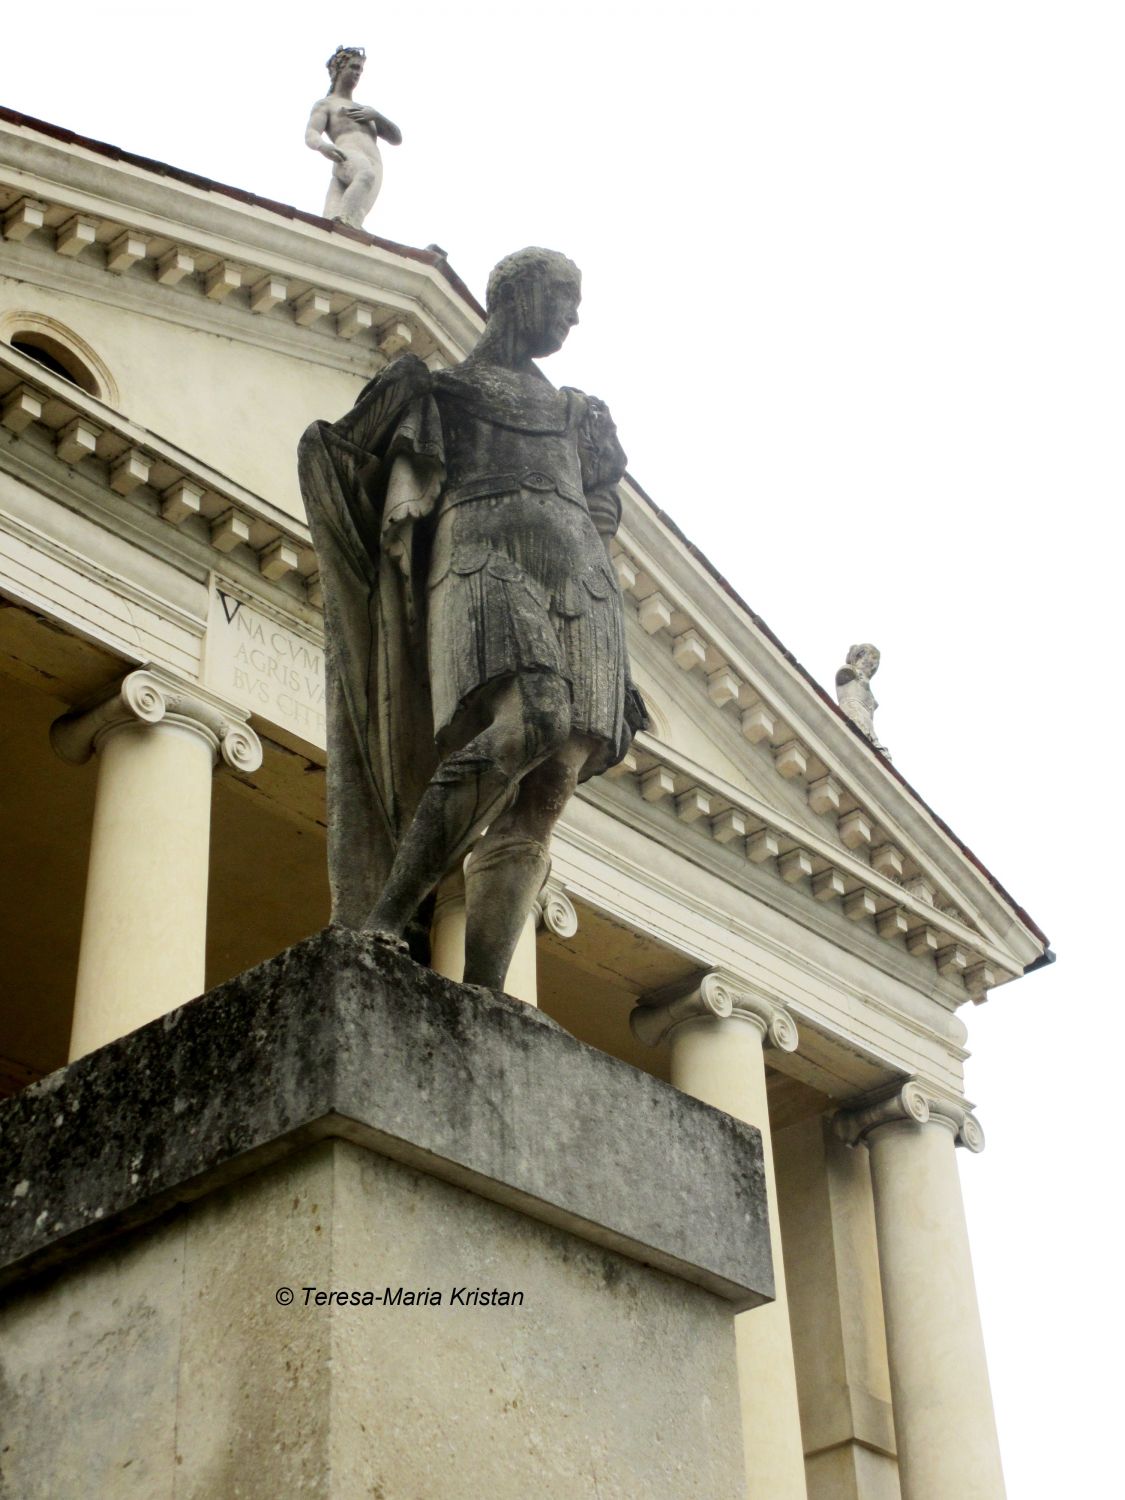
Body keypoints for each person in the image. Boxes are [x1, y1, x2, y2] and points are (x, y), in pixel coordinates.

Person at [299, 248, 646, 992]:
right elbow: (347, 459)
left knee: (551, 778)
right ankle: (388, 914)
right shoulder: (439, 389)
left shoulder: (575, 412)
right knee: (536, 718)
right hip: (481, 556)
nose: (573, 315)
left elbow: (602, 506)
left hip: (578, 579)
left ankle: (486, 992)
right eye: (561, 297)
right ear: (516, 295)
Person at [305, 46, 401, 229]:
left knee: (343, 213)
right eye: (354, 67)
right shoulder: (327, 104)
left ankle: (343, 230)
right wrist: (323, 146)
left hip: (375, 161)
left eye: (361, 70)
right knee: (365, 176)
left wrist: (376, 116)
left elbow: (396, 138)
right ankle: (346, 224)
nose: (358, 73)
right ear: (340, 68)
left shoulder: (365, 110)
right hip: (346, 153)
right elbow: (311, 133)